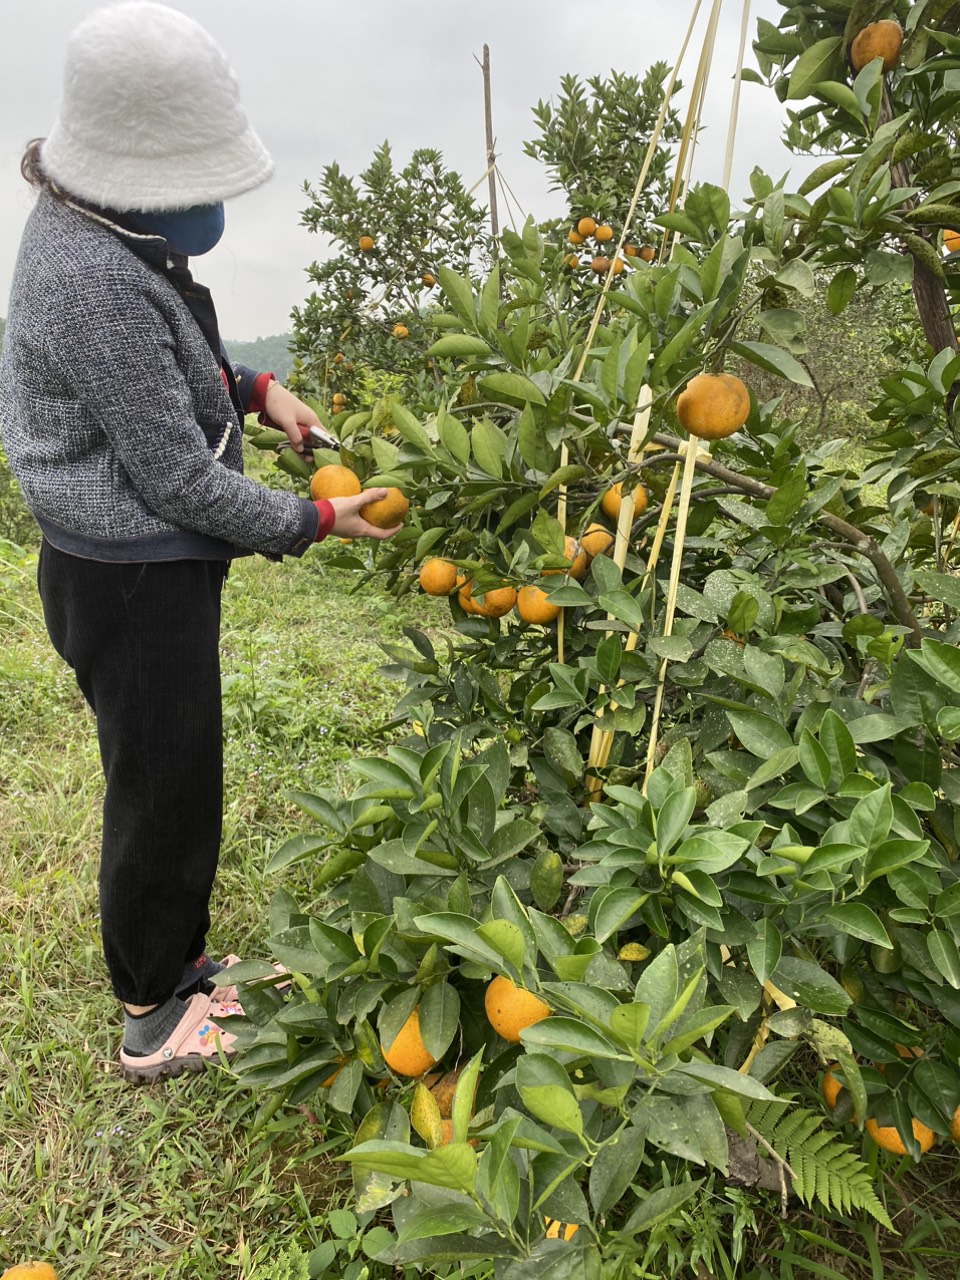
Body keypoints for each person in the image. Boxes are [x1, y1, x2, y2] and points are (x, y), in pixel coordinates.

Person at [0, 1, 400, 1084]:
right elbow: (175, 475)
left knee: (178, 771)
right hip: (127, 577)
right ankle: (149, 1014)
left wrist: (256, 388)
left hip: (140, 563)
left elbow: (168, 369)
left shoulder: (109, 233)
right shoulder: (87, 278)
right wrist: (314, 519)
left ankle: (177, 962)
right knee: (160, 787)